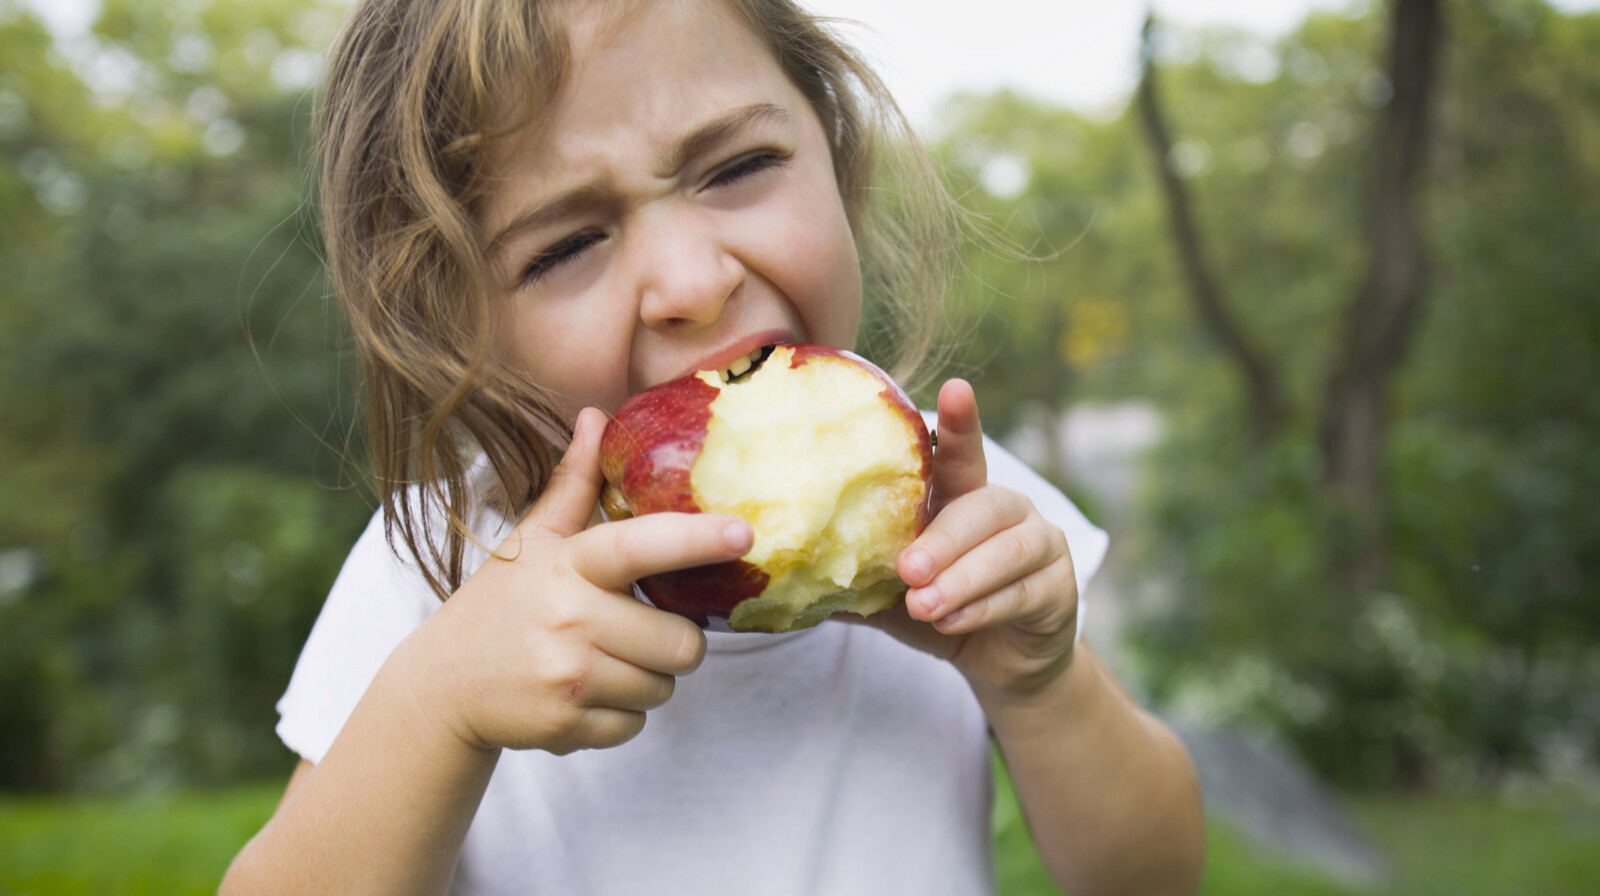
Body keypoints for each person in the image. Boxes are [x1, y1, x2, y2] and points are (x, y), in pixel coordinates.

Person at [221, 0, 1205, 893]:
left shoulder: (951, 503)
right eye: (565, 245)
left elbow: (1152, 876)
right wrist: (434, 706)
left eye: (737, 167)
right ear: (456, 324)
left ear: (832, 142)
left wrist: (1036, 683)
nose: (691, 282)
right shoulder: (442, 568)